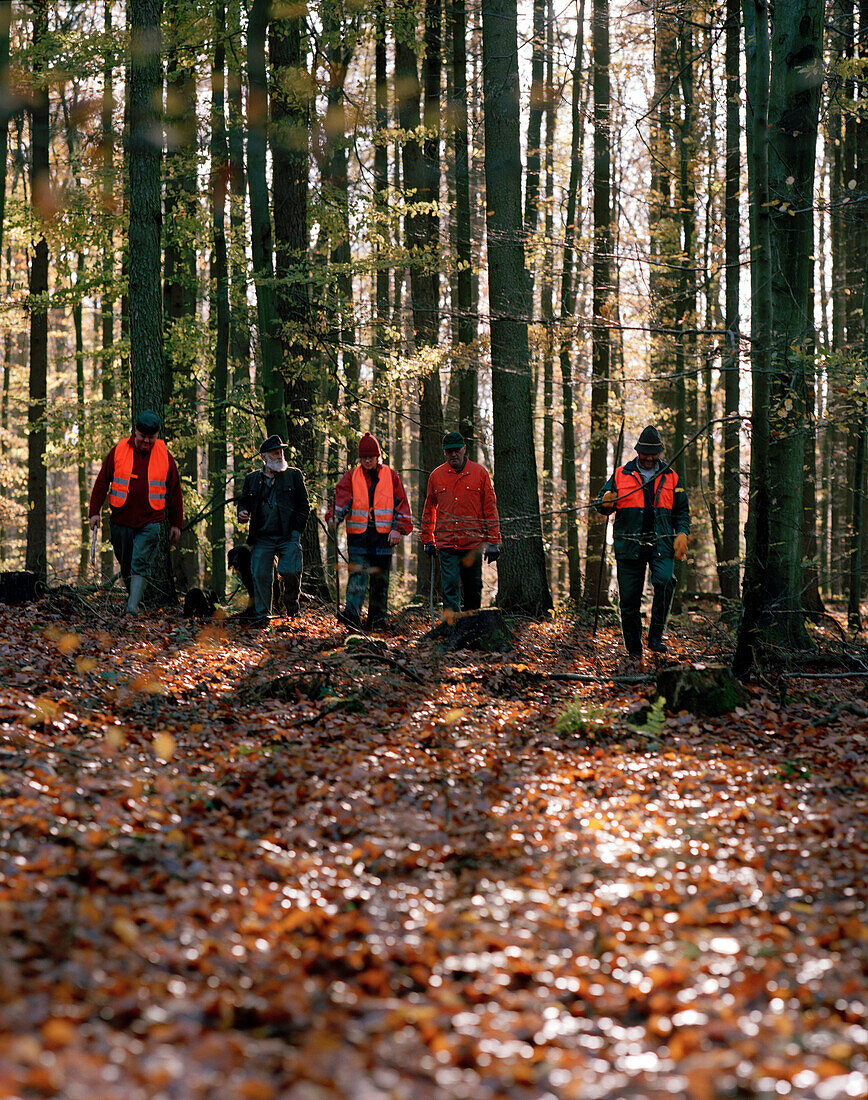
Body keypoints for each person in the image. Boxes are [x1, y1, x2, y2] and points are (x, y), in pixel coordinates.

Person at [595, 425, 690, 661]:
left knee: (666, 581)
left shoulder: (671, 475)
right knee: (628, 598)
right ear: (638, 451)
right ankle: (634, 648)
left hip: (662, 543)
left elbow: (682, 511)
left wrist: (682, 533)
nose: (648, 458)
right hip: (629, 544)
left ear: (659, 452)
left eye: (653, 453)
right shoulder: (620, 474)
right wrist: (606, 502)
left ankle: (655, 637)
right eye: (644, 453)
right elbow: (601, 505)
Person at [89, 410, 183, 614]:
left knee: (140, 562)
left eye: (152, 438)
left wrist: (176, 523)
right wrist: (94, 512)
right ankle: (132, 598)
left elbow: (175, 491)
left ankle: (132, 607)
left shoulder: (164, 455)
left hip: (151, 521)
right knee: (125, 563)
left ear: (157, 436)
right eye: (143, 437)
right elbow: (101, 482)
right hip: (120, 521)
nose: (147, 442)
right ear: (135, 432)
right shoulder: (119, 450)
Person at [326, 432, 413, 630]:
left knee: (380, 581)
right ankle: (352, 619)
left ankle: (377, 621)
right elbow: (341, 499)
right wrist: (334, 517)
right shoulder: (351, 476)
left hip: (384, 538)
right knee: (357, 577)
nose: (367, 461)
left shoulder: (391, 476)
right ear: (359, 458)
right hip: (358, 538)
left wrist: (398, 529)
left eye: (371, 457)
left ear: (378, 457)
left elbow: (402, 504)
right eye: (364, 457)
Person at [420, 431, 502, 616]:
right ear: (445, 453)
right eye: (449, 452)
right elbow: (429, 509)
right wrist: (427, 539)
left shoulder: (479, 473)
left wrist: (493, 541)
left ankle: (472, 628)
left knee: (473, 587)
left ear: (464, 449)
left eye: (457, 450)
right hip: (447, 543)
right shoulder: (436, 476)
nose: (454, 454)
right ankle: (451, 630)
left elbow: (490, 509)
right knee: (450, 588)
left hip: (472, 543)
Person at [237, 435, 309, 627]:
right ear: (263, 457)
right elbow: (243, 502)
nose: (279, 455)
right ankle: (263, 616)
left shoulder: (293, 475)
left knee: (290, 570)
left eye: (281, 452)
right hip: (262, 537)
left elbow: (304, 506)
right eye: (274, 452)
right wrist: (242, 512)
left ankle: (292, 604)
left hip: (287, 535)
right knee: (260, 574)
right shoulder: (251, 479)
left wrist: (296, 533)